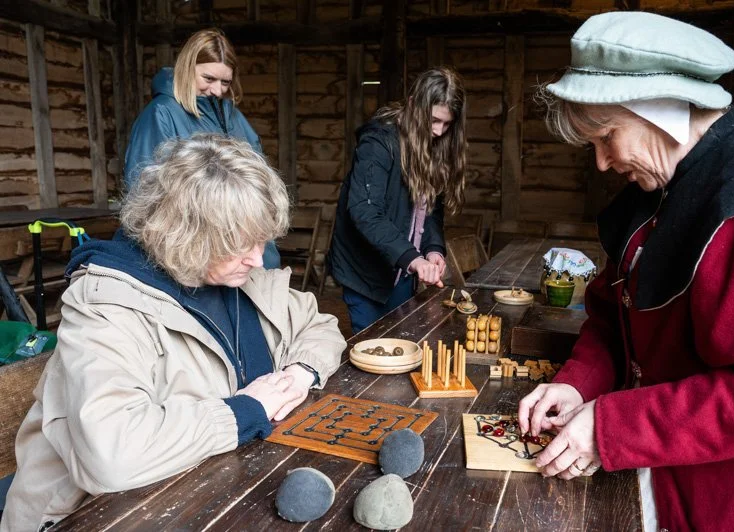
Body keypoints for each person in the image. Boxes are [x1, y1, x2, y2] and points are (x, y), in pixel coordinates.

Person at [517, 11, 734, 532]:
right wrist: (580, 384)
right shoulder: (655, 190)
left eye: (607, 137)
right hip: (652, 476)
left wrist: (613, 426)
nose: (602, 163)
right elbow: (610, 317)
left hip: (733, 502)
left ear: (653, 111)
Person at [0, 135, 346, 531]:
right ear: (186, 235)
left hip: (207, 491)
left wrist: (299, 373)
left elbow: (320, 325)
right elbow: (113, 453)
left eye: (262, 240)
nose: (256, 257)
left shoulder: (241, 278)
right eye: (240, 243)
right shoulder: (105, 306)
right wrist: (246, 411)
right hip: (93, 517)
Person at [123, 28, 280, 269]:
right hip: (198, 254)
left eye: (225, 82)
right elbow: (144, 195)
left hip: (245, 250)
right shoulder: (161, 114)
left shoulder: (235, 119)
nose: (217, 90)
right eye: (208, 79)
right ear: (187, 68)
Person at [327, 67, 468, 333]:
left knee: (402, 340)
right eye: (434, 120)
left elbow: (430, 212)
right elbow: (365, 211)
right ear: (414, 104)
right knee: (371, 349)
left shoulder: (433, 148)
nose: (439, 131)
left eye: (447, 124)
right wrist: (414, 259)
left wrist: (433, 249)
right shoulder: (378, 143)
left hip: (403, 268)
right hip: (366, 272)